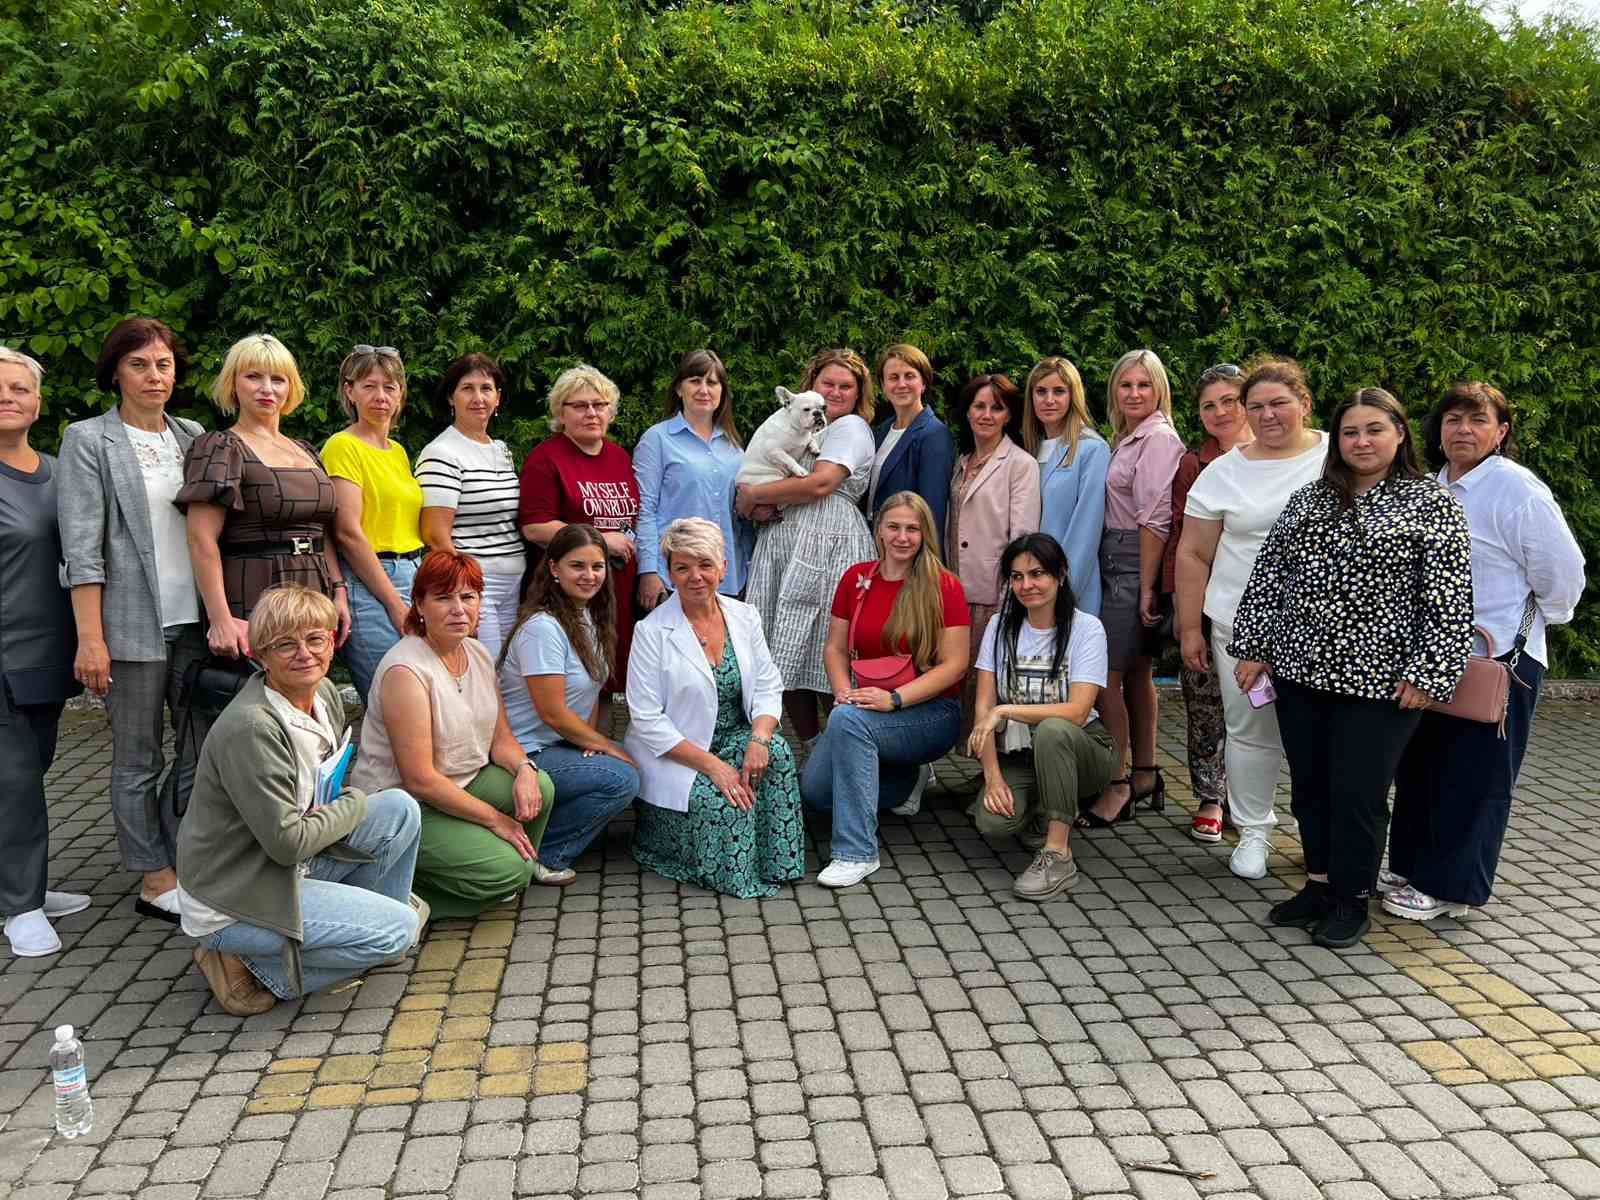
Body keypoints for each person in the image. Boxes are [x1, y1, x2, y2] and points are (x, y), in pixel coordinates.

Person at [1230, 388, 1473, 948]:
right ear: (1336, 440)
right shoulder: (1310, 499)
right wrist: (1254, 646)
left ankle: (1351, 898)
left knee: (1357, 794)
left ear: (1400, 434)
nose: (1361, 442)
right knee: (1310, 789)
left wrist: (1429, 674)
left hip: (1380, 683)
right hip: (1300, 672)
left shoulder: (1431, 504)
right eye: (1350, 432)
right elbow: (1270, 575)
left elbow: (1449, 600)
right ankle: (1318, 886)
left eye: (1374, 430)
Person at [1385, 382, 1586, 921]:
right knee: (1421, 768)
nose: (1463, 430)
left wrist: (1535, 624)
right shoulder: (1430, 487)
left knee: (1476, 778)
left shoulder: (1516, 489)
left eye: (1478, 420)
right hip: (1433, 658)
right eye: (1453, 420)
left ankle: (1451, 888)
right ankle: (1409, 867)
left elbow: (1563, 574)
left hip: (1498, 662)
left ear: (1501, 432)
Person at [176, 585, 425, 1016]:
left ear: (332, 642)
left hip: (289, 862)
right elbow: (287, 842)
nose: (305, 654)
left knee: (400, 809)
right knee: (398, 931)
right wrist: (354, 801)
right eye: (285, 645)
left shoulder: (323, 693)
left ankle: (356, 931)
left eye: (315, 639)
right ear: (260, 655)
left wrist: (344, 807)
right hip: (238, 892)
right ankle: (250, 965)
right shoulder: (253, 726)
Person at [58, 318, 206, 924]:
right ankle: (153, 876)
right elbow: (82, 549)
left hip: (196, 623)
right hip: (130, 627)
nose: (154, 376)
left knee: (201, 751)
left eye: (163, 364)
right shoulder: (89, 439)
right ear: (115, 372)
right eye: (139, 364)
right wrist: (91, 639)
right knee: (138, 759)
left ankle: (182, 854)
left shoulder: (192, 436)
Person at [1175, 358, 1327, 878]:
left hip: (1325, 629)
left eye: (1278, 403)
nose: (1267, 415)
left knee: (1323, 735)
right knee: (1249, 729)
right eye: (1256, 406)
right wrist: (1189, 628)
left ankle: (1323, 837)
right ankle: (1254, 832)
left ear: (1304, 403)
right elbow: (1193, 553)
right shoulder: (1223, 472)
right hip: (1240, 627)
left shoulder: (1337, 457)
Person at [350, 551, 561, 916]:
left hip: (461, 782)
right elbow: (419, 780)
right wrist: (495, 820)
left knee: (541, 786)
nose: (459, 609)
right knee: (509, 871)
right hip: (407, 804)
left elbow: (502, 740)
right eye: (444, 598)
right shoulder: (406, 671)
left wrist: (525, 769)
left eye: (468, 597)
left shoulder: (476, 652)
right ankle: (393, 898)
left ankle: (499, 867)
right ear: (419, 605)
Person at [625, 518, 803, 898]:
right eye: (682, 567)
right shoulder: (651, 631)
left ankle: (777, 863)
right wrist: (713, 767)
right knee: (725, 806)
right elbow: (645, 719)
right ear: (669, 573)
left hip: (734, 736)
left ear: (723, 568)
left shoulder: (745, 615)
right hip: (679, 752)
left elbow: (768, 684)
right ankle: (705, 861)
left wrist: (759, 738)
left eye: (705, 564)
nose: (695, 576)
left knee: (778, 754)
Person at [802, 492, 970, 888]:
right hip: (866, 706)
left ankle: (856, 852)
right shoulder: (856, 579)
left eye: (913, 529)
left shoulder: (944, 586)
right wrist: (842, 692)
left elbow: (955, 665)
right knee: (814, 794)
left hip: (931, 711)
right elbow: (835, 648)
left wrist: (894, 699)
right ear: (878, 530)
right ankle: (904, 780)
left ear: (925, 534)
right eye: (894, 526)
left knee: (848, 723)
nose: (902, 537)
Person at [738, 349, 879, 743]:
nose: (835, 392)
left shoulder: (850, 427)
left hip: (830, 544)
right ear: (811, 385)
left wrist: (753, 496)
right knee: (783, 649)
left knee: (827, 648)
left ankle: (850, 745)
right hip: (786, 542)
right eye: (827, 383)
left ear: (858, 394)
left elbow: (820, 483)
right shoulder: (796, 426)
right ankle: (814, 749)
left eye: (845, 386)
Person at [179, 334, 349, 658]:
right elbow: (200, 538)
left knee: (308, 678)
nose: (267, 389)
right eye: (253, 376)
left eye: (278, 379)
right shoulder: (220, 448)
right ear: (233, 384)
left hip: (315, 588)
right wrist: (220, 619)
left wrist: (338, 590)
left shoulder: (306, 450)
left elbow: (321, 530)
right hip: (253, 590)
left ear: (291, 387)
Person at [0, 348, 89, 957]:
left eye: (19, 388)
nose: (8, 398)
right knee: (13, 782)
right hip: (4, 654)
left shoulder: (59, 472)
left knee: (34, 769)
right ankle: (21, 906)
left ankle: (17, 883)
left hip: (52, 651)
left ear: (37, 402)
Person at [968, 533, 1114, 900]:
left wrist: (1005, 710)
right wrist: (993, 776)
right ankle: (1042, 812)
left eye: (1037, 574)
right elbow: (983, 710)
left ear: (1060, 575)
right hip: (1022, 754)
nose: (1026, 585)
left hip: (1084, 750)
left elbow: (1077, 711)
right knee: (992, 822)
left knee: (1052, 729)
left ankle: (1058, 854)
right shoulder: (999, 626)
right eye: (1017, 577)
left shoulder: (1086, 628)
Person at [1076, 350, 1184, 828]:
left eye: (1144, 385)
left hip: (1131, 561)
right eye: (1126, 385)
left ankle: (1116, 782)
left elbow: (1154, 518)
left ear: (1160, 389)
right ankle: (1145, 774)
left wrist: (1145, 587)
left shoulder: (1158, 439)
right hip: (1118, 559)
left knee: (1105, 677)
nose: (1135, 393)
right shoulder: (1128, 437)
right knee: (1138, 674)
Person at [499, 524, 641, 881]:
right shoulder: (543, 628)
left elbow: (589, 693)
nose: (589, 575)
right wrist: (605, 745)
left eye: (597, 566)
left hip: (558, 745)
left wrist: (588, 745)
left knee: (637, 761)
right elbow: (552, 712)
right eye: (577, 566)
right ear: (553, 568)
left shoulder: (589, 616)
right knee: (622, 777)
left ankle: (550, 826)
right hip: (525, 753)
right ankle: (543, 855)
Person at [1161, 363, 1251, 845]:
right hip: (1208, 599)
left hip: (1267, 606)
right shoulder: (1194, 464)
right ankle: (1211, 796)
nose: (1220, 412)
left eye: (1229, 401)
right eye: (1208, 405)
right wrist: (1183, 611)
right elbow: (1180, 538)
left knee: (1260, 708)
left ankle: (1251, 800)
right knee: (1205, 700)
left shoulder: (1284, 459)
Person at [519, 365, 641, 688]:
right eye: (580, 406)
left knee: (611, 679)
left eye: (599, 405)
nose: (591, 413)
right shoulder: (546, 458)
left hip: (617, 590)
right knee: (577, 679)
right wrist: (600, 541)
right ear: (561, 413)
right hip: (569, 593)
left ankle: (605, 725)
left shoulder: (619, 457)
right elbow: (535, 527)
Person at [321, 345, 425, 700]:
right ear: (350, 391)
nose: (381, 396)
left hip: (413, 573)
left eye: (390, 387)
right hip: (371, 582)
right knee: (391, 699)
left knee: (419, 692)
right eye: (369, 386)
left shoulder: (397, 451)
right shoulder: (342, 446)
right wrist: (395, 603)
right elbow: (348, 532)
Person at [945, 373, 1041, 749]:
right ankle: (977, 764)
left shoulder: (1020, 464)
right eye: (979, 406)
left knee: (988, 684)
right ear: (968, 412)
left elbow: (1023, 536)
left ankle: (995, 769)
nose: (986, 415)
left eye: (996, 408)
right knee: (961, 685)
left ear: (1008, 415)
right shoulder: (961, 461)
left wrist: (1011, 596)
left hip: (993, 594)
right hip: (956, 592)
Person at [415, 353, 527, 658]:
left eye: (486, 388)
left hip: (513, 584)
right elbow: (435, 535)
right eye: (467, 388)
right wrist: (464, 595)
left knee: (508, 673)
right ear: (451, 398)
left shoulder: (501, 450)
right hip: (476, 586)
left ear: (497, 398)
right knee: (483, 667)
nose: (478, 398)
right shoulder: (441, 453)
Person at [635, 349, 748, 612]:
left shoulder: (733, 447)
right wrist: (648, 570)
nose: (704, 390)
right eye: (695, 381)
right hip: (673, 577)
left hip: (727, 576)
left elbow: (741, 517)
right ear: (679, 388)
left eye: (712, 382)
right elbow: (645, 509)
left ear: (722, 391)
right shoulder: (657, 439)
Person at [1025, 357, 1110, 614]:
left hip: (1069, 588)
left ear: (1073, 396)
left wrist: (1061, 590)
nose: (1049, 400)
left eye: (1059, 391)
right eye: (1041, 391)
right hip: (1028, 586)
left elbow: (1086, 530)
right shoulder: (1030, 450)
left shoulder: (1092, 449)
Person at [867, 343, 957, 534]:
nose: (901, 384)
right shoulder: (881, 431)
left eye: (909, 376)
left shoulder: (935, 435)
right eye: (893, 377)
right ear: (883, 386)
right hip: (874, 538)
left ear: (923, 383)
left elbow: (932, 510)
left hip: (905, 543)